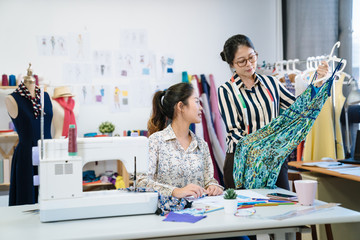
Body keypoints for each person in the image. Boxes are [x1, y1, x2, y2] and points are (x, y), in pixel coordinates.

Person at [218, 34, 328, 189]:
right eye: (242, 61)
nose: (249, 64)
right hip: (242, 162)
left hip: (274, 160)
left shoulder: (271, 83)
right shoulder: (226, 90)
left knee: (282, 206)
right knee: (248, 209)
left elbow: (298, 109)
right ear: (232, 64)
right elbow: (234, 131)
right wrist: (261, 149)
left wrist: (318, 80)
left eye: (252, 57)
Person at [138, 82, 223, 198]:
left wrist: (213, 186)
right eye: (197, 101)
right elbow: (141, 182)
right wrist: (175, 191)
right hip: (167, 213)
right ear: (181, 106)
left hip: (200, 211)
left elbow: (209, 180)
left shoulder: (201, 144)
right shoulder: (156, 141)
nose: (201, 107)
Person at [5, 65, 53, 205]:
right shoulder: (12, 98)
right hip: (27, 155)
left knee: (51, 195)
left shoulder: (45, 96)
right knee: (27, 200)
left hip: (48, 153)